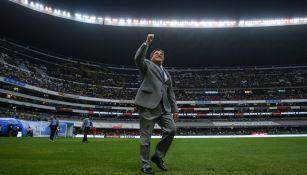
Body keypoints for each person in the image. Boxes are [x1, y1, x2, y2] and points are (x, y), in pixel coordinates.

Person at [134, 34, 179, 174]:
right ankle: (145, 165)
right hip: (147, 106)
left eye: (161, 54)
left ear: (163, 58)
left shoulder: (167, 74)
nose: (159, 54)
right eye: (156, 53)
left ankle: (158, 156)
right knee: (146, 137)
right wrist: (146, 43)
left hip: (164, 108)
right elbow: (137, 58)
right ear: (152, 56)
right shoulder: (146, 65)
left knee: (171, 130)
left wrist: (175, 109)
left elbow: (170, 92)